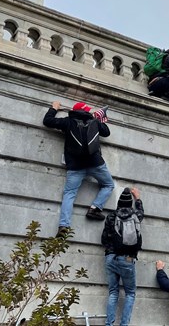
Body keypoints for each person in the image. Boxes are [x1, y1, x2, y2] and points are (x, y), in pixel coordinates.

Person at [43, 101, 115, 237]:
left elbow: (47, 121)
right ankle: (95, 208)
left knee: (69, 194)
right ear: (85, 111)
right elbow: (106, 133)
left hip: (75, 166)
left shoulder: (68, 122)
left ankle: (64, 226)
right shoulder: (94, 121)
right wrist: (98, 119)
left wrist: (54, 108)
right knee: (108, 185)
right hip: (96, 164)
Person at [101, 187, 144, 326]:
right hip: (127, 259)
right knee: (130, 293)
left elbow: (104, 240)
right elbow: (141, 212)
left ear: (118, 203)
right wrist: (138, 198)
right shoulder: (135, 216)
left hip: (110, 257)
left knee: (113, 292)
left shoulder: (111, 216)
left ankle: (109, 324)